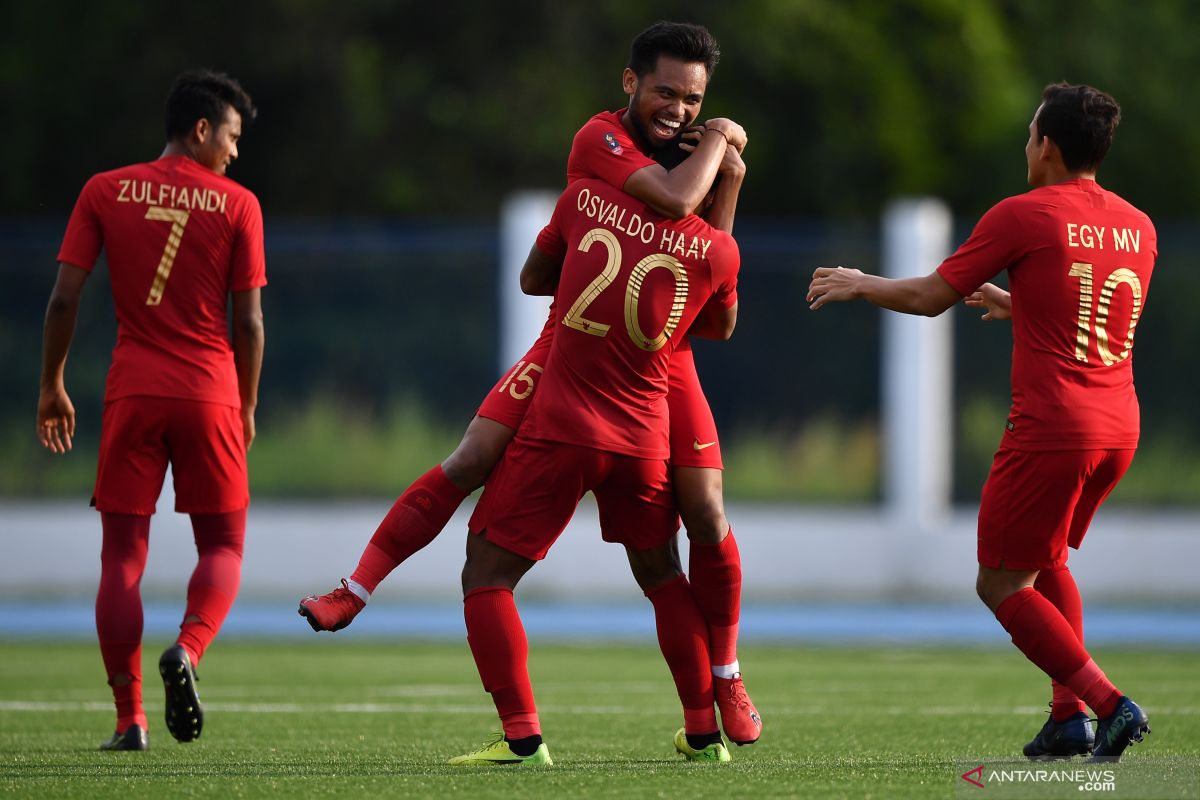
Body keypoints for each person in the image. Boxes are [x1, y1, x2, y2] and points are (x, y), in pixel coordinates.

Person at [299, 20, 760, 746]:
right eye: (666, 92)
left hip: (657, 356)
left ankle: (725, 678)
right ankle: (354, 589)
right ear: (630, 82)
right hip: (572, 344)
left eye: (694, 99)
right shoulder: (602, 140)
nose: (678, 108)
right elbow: (679, 214)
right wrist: (719, 148)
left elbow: (696, 294)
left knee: (702, 513)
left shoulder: (651, 174)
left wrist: (718, 178)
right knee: (472, 457)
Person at [806, 83, 1153, 762]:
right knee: (1046, 560)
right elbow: (1094, 318)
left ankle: (1109, 705)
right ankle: (1066, 719)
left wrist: (861, 282)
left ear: (1047, 146)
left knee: (999, 582)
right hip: (1118, 427)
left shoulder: (1024, 214)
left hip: (1054, 427)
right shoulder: (1138, 224)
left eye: (1030, 135)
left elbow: (934, 296)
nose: (1027, 146)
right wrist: (1021, 306)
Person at [448, 162, 740, 765]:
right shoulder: (713, 245)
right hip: (644, 425)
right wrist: (724, 174)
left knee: (486, 567)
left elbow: (533, 278)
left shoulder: (591, 195)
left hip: (573, 413)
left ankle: (523, 738)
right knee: (665, 570)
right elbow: (720, 322)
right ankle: (706, 726)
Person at [38, 70, 266, 751]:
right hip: (210, 392)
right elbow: (249, 324)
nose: (233, 152)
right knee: (223, 545)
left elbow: (62, 299)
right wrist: (247, 403)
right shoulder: (239, 204)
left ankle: (129, 718)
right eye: (230, 137)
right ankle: (189, 650)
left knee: (121, 560)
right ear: (201, 130)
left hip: (132, 389)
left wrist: (52, 383)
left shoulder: (103, 190)